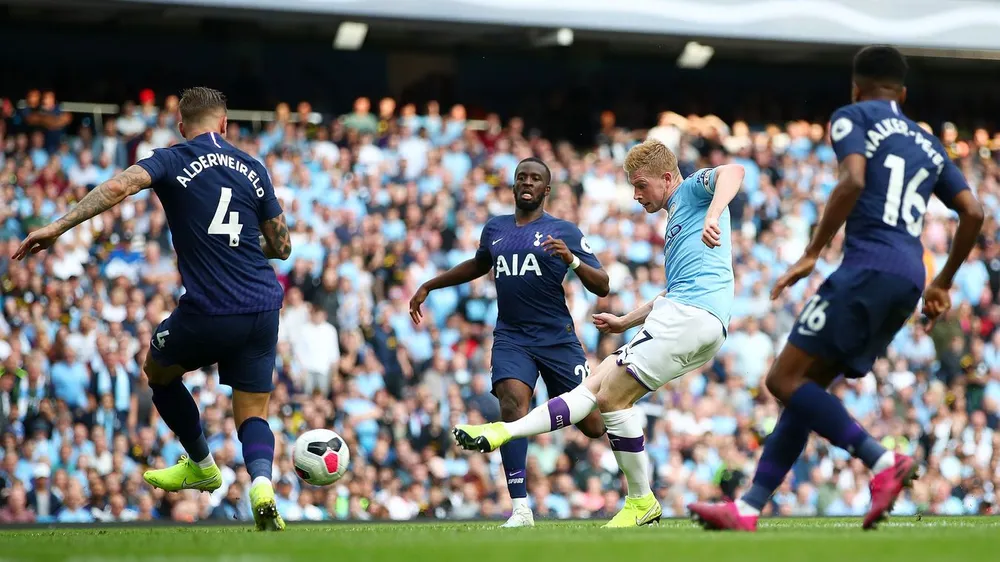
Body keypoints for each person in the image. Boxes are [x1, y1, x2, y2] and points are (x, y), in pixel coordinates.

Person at [689, 45, 984, 532]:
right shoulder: (929, 143)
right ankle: (748, 507)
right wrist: (944, 279)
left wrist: (812, 252)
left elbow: (851, 179)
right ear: (903, 93)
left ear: (855, 86)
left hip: (866, 267)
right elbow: (973, 212)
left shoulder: (852, 117)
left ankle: (880, 459)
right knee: (806, 388)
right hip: (910, 275)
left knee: (782, 381)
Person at [12, 86, 293, 531]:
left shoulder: (173, 158)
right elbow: (282, 246)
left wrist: (58, 226)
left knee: (157, 371)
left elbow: (120, 186)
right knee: (254, 412)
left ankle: (201, 465)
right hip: (263, 305)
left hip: (211, 307)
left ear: (182, 126)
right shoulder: (254, 168)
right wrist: (239, 243)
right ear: (225, 123)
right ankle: (261, 484)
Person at [453, 140, 743, 528]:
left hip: (691, 317)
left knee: (611, 397)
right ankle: (504, 431)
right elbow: (673, 294)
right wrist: (626, 321)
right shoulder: (677, 221)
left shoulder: (691, 191)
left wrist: (715, 211)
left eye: (641, 185)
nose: (636, 195)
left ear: (668, 178)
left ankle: (641, 501)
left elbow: (733, 172)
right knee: (598, 383)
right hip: (691, 316)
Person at [409, 157, 610, 527]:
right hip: (512, 337)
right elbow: (477, 264)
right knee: (512, 405)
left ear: (546, 190)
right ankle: (520, 508)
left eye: (535, 178)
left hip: (556, 340)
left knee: (594, 425)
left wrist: (574, 262)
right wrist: (429, 284)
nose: (527, 183)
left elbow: (603, 284)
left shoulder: (563, 230)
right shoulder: (495, 228)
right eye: (522, 177)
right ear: (514, 185)